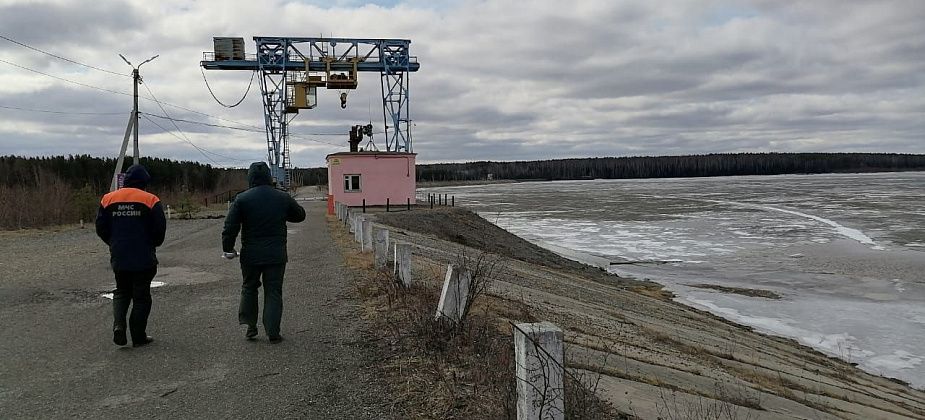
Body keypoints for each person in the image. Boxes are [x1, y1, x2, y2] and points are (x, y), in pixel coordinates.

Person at [222, 162, 306, 343]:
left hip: (250, 255)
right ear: (269, 177)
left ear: (250, 178)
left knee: (249, 287)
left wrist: (227, 248)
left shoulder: (242, 199)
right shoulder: (281, 197)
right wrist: (283, 213)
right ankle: (273, 331)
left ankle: (250, 326)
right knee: (273, 291)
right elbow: (300, 215)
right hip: (276, 255)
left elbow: (230, 226)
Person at [95, 164, 166, 348]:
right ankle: (138, 336)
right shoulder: (150, 200)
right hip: (144, 256)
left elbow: (101, 227)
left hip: (119, 254)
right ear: (143, 182)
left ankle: (118, 324)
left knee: (121, 290)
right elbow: (159, 229)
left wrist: (113, 242)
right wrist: (153, 243)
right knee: (141, 296)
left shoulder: (108, 199)